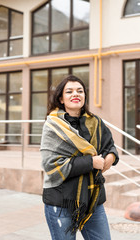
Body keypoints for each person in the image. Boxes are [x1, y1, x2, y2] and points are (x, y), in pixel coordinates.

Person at [40, 75, 119, 240]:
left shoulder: (95, 122)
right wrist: (91, 162)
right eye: (69, 91)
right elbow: (51, 166)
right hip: (61, 202)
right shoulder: (52, 126)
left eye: (80, 91)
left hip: (92, 200)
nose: (75, 94)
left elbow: (109, 144)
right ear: (61, 98)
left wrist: (111, 156)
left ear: (84, 96)